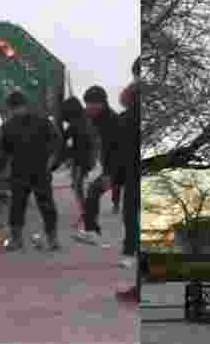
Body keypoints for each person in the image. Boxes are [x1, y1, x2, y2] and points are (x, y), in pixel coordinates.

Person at [0, 90, 61, 252]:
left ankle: (17, 241)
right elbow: (57, 142)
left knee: (17, 206)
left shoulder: (8, 126)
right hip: (40, 170)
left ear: (10, 107)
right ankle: (53, 240)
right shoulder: (43, 121)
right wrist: (51, 163)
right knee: (46, 205)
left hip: (20, 172)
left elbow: (4, 152)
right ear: (25, 104)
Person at [72, 85, 125, 247]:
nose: (88, 107)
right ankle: (92, 231)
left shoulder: (111, 121)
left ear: (101, 103)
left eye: (91, 104)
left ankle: (93, 232)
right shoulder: (97, 118)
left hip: (123, 163)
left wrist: (109, 174)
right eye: (86, 103)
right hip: (114, 164)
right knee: (93, 192)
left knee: (94, 191)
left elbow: (115, 149)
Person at [114, 58, 142, 304]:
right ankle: (139, 287)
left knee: (135, 224)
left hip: (135, 177)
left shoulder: (133, 107)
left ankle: (139, 289)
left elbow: (125, 148)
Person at [49, 97, 96, 224]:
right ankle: (86, 213)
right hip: (83, 159)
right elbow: (66, 141)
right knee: (77, 186)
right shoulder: (81, 121)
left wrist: (55, 165)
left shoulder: (77, 124)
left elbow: (68, 146)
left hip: (82, 159)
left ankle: (87, 214)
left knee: (77, 186)